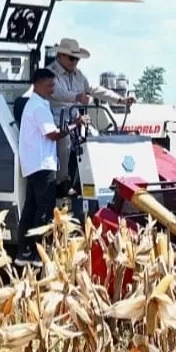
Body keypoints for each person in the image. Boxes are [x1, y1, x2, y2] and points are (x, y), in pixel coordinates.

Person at [43, 37, 136, 192]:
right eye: (72, 58)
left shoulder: (79, 75)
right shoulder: (50, 73)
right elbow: (58, 93)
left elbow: (95, 89)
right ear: (60, 56)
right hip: (54, 119)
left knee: (93, 135)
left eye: (77, 59)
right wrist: (78, 97)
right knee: (65, 138)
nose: (75, 62)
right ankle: (62, 182)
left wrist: (120, 99)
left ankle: (89, 180)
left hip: (75, 119)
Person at [15, 67, 85, 266]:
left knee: (31, 208)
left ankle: (24, 252)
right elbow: (52, 134)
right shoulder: (38, 107)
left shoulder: (35, 104)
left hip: (34, 164)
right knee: (44, 209)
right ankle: (40, 254)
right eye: (49, 85)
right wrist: (76, 124)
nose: (52, 89)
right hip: (42, 164)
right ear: (37, 85)